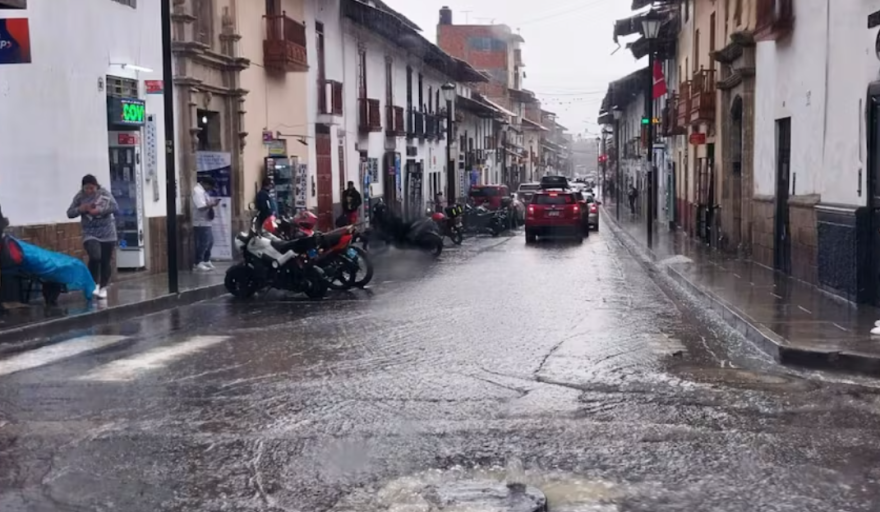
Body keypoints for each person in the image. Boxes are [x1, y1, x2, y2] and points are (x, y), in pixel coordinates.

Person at [66, 175, 119, 299]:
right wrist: (81, 209)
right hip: (90, 232)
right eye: (87, 188)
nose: (89, 191)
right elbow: (69, 213)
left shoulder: (104, 193)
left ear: (96, 186)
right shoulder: (80, 197)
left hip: (107, 232)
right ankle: (93, 283)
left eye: (92, 188)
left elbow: (115, 207)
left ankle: (103, 287)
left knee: (106, 260)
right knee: (95, 256)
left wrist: (100, 211)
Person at [192, 176, 219, 272]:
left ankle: (206, 259)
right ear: (205, 184)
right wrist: (212, 204)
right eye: (210, 187)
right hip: (200, 222)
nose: (210, 189)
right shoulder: (197, 192)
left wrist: (211, 203)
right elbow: (200, 207)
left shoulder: (203, 192)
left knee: (210, 241)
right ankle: (198, 262)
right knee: (204, 242)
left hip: (206, 221)